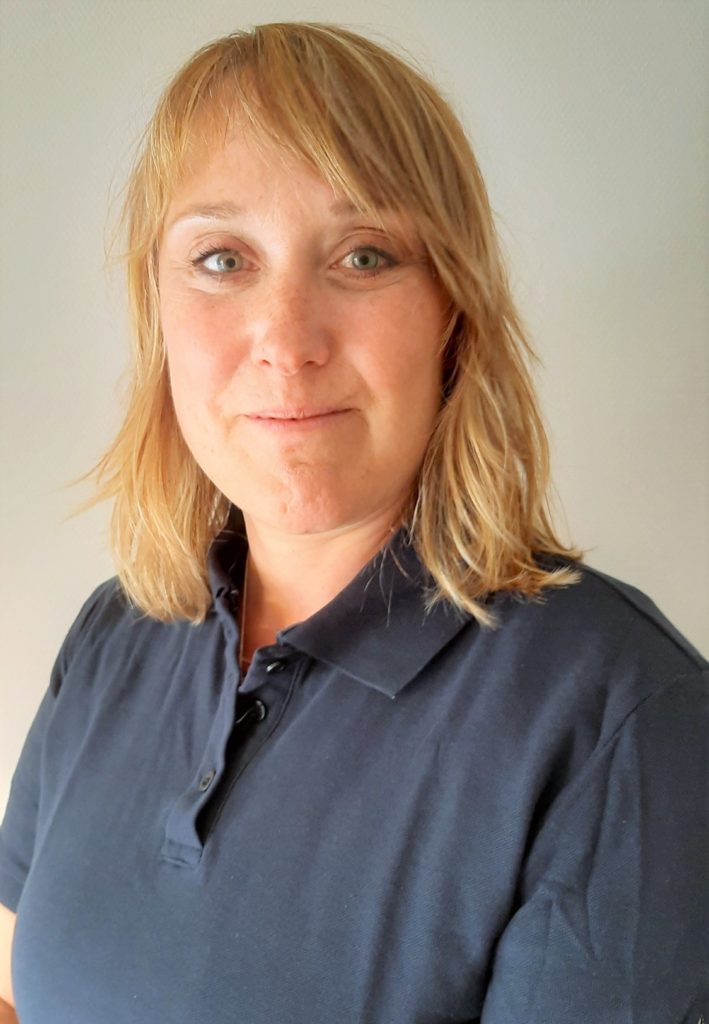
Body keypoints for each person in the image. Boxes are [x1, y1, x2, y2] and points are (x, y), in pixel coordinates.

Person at [0, 21, 706, 1024]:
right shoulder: (112, 635)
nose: (286, 340)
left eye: (364, 255)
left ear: (452, 310)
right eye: (220, 258)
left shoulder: (622, 716)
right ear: (155, 310)